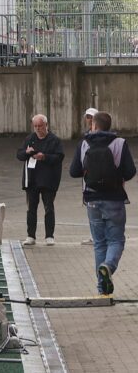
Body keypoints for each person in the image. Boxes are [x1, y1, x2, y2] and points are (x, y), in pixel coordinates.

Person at [68, 110, 137, 296]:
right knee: (116, 239)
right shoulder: (120, 143)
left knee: (99, 243)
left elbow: (73, 172)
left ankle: (102, 288)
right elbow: (130, 171)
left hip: (91, 199)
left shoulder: (84, 144)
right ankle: (108, 266)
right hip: (114, 198)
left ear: (94, 125)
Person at [16, 113, 64, 246]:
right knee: (31, 208)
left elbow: (59, 157)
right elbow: (19, 155)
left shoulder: (54, 140)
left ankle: (49, 236)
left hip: (49, 180)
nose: (38, 128)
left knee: (49, 208)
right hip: (32, 180)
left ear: (46, 125)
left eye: (40, 126)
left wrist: (45, 157)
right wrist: (26, 152)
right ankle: (31, 235)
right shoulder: (29, 139)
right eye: (35, 126)